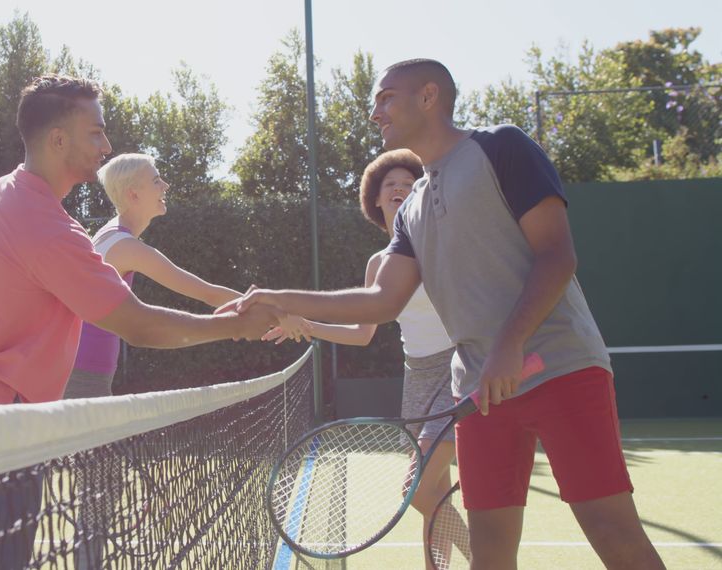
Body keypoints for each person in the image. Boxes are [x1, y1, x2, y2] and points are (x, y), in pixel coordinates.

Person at [223, 59, 664, 570]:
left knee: (612, 530)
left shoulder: (502, 147)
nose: (375, 112)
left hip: (562, 368)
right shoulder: (410, 213)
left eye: (386, 97)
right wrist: (281, 299)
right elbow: (380, 301)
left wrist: (509, 344)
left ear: (429, 97)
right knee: (491, 548)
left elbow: (557, 255)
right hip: (479, 394)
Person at [0, 74, 282, 569]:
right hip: (1, 411)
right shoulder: (46, 226)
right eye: (95, 132)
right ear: (58, 140)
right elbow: (138, 324)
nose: (106, 145)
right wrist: (232, 327)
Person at [264, 148, 460, 568]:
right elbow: (361, 333)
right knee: (436, 492)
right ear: (376, 198)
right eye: (391, 185)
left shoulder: (443, 244)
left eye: (409, 184)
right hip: (418, 375)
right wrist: (307, 325)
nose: (400, 189)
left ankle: (486, 558)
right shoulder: (379, 263)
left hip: (456, 368)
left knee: (421, 491)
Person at [64, 153, 245, 400]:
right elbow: (207, 293)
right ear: (133, 194)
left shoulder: (108, 234)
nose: (165, 186)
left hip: (80, 371)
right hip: (83, 376)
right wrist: (272, 311)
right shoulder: (126, 247)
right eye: (156, 180)